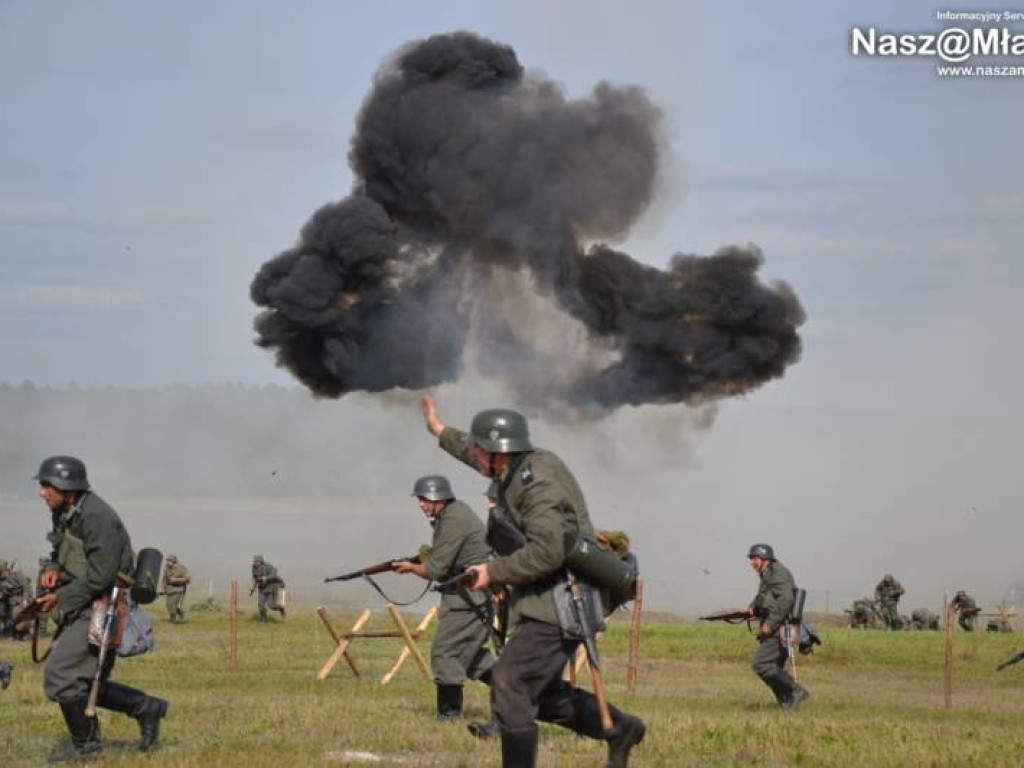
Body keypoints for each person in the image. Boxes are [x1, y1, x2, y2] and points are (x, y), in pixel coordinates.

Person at [421, 393, 645, 768]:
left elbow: (548, 552)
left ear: (498, 452)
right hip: (544, 598)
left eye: (480, 451)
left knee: (510, 682)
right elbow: (470, 449)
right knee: (542, 695)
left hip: (562, 600)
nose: (474, 457)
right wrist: (439, 430)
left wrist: (492, 572)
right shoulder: (512, 466)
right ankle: (620, 728)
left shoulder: (536, 482)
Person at [33, 455, 168, 761]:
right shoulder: (65, 511)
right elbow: (60, 546)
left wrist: (60, 599)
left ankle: (87, 750)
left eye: (46, 485)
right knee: (82, 680)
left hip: (101, 605)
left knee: (60, 676)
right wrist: (54, 567)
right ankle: (147, 708)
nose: (41, 492)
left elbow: (101, 575)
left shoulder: (96, 517)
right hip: (82, 600)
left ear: (67, 487)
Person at [393, 475, 495, 720]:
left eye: (424, 499)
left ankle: (448, 715)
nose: (420, 504)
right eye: (419, 499)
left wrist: (411, 568)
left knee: (445, 652)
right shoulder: (450, 516)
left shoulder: (453, 519)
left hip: (469, 599)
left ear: (439, 498)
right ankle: (517, 688)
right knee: (469, 656)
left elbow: (436, 571)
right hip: (469, 597)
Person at [746, 543, 810, 710]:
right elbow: (765, 596)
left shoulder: (777, 573)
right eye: (751, 558)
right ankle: (788, 702)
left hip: (780, 627)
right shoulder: (768, 574)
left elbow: (786, 599)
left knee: (761, 664)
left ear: (765, 559)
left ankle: (795, 691)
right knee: (774, 667)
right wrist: (753, 607)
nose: (752, 562)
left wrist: (770, 623)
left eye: (755, 558)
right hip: (777, 626)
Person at [251, 555, 286, 621]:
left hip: (271, 587)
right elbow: (256, 579)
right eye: (254, 561)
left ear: (261, 561)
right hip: (262, 588)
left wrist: (266, 578)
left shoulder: (267, 566)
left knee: (272, 606)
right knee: (260, 605)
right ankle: (263, 618)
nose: (255, 562)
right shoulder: (253, 568)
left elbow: (274, 573)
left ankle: (281, 609)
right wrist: (253, 588)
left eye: (257, 561)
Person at [161, 555, 190, 623]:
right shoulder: (166, 569)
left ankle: (174, 619)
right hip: (169, 589)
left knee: (174, 605)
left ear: (174, 561)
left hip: (178, 589)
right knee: (169, 605)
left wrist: (176, 580)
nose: (167, 562)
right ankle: (175, 617)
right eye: (167, 561)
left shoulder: (182, 568)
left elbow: (187, 579)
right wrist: (163, 588)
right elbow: (164, 580)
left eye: (169, 561)